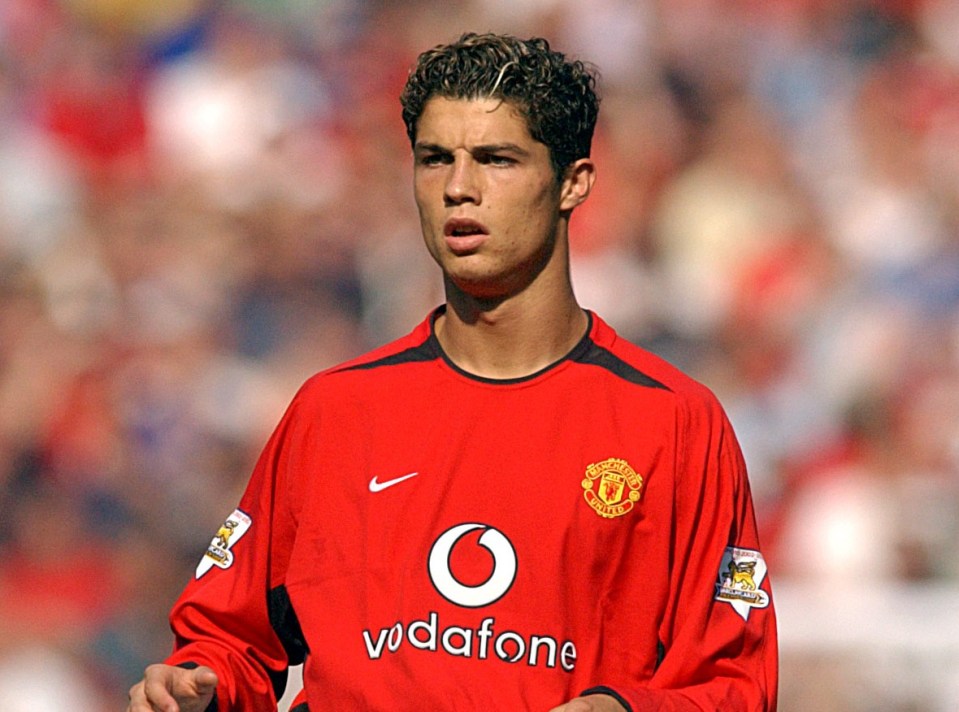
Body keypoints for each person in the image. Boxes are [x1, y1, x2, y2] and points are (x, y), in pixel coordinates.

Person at [127, 32, 777, 712]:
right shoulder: (337, 410)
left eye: (496, 160)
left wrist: (616, 709)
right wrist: (194, 687)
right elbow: (227, 642)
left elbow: (733, 685)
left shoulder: (671, 423)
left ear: (573, 182)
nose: (459, 189)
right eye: (435, 160)